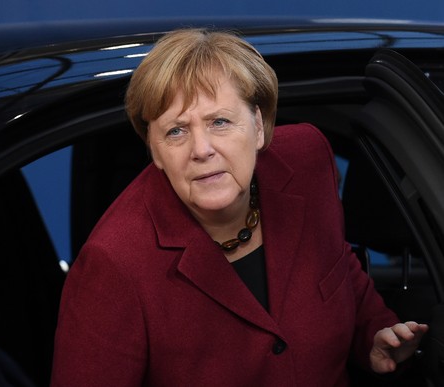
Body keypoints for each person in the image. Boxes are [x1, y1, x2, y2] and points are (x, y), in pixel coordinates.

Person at [51, 28, 428, 386]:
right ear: (154, 152)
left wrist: (374, 335)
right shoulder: (115, 263)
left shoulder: (306, 163)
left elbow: (337, 270)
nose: (201, 150)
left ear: (260, 127)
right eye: (176, 131)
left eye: (219, 121)